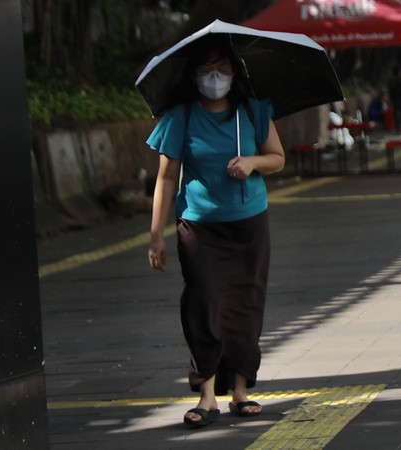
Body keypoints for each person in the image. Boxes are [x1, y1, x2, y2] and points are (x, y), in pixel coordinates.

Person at [146, 36, 285, 429]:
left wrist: (254, 162)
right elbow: (166, 176)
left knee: (246, 302)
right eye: (207, 70)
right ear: (193, 75)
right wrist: (156, 234)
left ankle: (240, 390)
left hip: (248, 223)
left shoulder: (253, 111)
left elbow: (278, 158)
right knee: (203, 301)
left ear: (234, 73)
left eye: (222, 69)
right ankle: (207, 396)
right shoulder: (180, 117)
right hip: (199, 225)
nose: (214, 77)